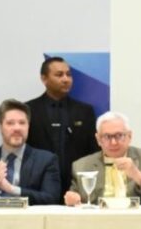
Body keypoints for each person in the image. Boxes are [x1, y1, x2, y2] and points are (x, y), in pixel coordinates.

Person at [26, 57, 99, 197]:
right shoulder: (29, 110)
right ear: (44, 78)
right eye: (59, 75)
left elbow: (94, 151)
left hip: (77, 186)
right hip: (39, 186)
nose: (66, 79)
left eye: (68, 74)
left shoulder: (85, 111)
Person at [64, 111, 141, 206]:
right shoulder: (81, 165)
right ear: (98, 139)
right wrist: (71, 199)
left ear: (129, 136)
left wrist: (137, 175)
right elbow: (74, 198)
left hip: (138, 220)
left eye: (119, 135)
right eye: (107, 137)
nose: (113, 142)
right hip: (99, 221)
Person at [0, 99, 60, 205]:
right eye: (10, 123)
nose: (17, 128)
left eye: (22, 123)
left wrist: (12, 189)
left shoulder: (46, 160)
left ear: (28, 126)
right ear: (0, 127)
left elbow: (52, 198)